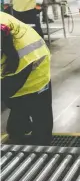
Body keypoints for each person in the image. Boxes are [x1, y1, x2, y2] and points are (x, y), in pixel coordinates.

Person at [1, 12, 53, 145]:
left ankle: (42, 149)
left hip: (36, 68)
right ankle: (19, 131)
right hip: (14, 69)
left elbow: (7, 88)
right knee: (18, 107)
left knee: (41, 119)